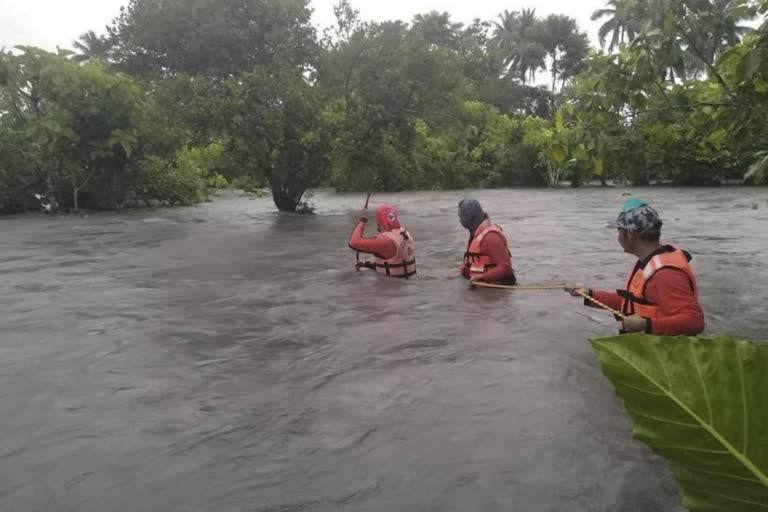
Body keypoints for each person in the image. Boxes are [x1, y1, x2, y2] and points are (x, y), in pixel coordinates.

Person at [564, 198, 704, 335]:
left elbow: (694, 321)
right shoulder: (649, 262)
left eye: (619, 231)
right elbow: (634, 303)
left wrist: (646, 325)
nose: (618, 237)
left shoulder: (665, 274)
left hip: (664, 353)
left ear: (629, 234)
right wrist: (588, 294)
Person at [348, 204, 416, 278]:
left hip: (391, 286)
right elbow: (394, 260)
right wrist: (366, 264)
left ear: (379, 222)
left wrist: (363, 220)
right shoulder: (404, 233)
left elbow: (354, 243)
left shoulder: (385, 241)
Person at [458, 199, 517, 285]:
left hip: (496, 292)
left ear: (473, 218)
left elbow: (505, 268)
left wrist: (483, 277)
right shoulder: (475, 234)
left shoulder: (490, 237)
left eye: (462, 217)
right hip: (481, 289)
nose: (460, 221)